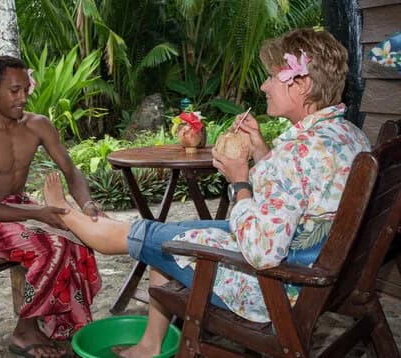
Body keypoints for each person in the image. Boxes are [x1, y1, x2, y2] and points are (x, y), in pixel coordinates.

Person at [40, 28, 372, 358]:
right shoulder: (348, 136)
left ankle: (67, 215)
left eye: (272, 76)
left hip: (274, 289)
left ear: (302, 85)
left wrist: (239, 181)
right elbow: (297, 192)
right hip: (316, 273)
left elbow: (262, 252)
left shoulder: (297, 154)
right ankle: (149, 345)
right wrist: (260, 151)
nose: (264, 85)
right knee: (167, 238)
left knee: (154, 239)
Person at [0, 55, 103, 358]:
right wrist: (38, 213)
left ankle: (64, 325)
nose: (23, 98)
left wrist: (86, 205)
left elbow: (71, 171)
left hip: (22, 208)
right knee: (51, 248)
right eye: (14, 91)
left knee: (78, 241)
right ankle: (25, 331)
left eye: (26, 89)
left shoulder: (38, 125)